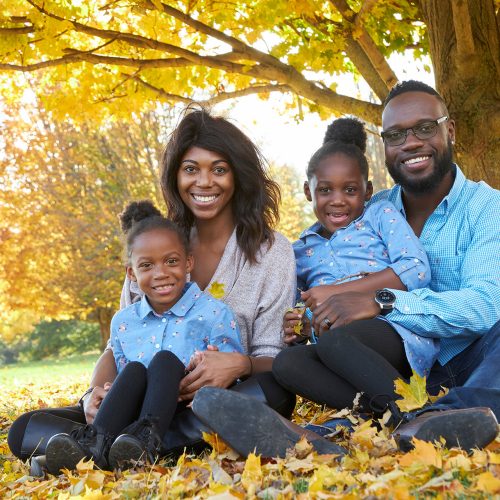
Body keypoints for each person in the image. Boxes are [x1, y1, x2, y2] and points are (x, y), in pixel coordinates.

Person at [192, 80, 500, 456]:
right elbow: (309, 298)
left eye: (424, 128)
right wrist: (303, 322)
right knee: (291, 362)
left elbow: (485, 307)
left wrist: (380, 301)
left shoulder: (486, 207)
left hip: (468, 359)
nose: (411, 143)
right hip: (383, 366)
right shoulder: (367, 211)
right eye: (396, 134)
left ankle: (430, 416)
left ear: (449, 130)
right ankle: (371, 426)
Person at [8, 109, 297, 468]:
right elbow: (119, 344)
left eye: (219, 169)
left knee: (273, 393)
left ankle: (110, 447)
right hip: (134, 401)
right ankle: (125, 443)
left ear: (238, 176)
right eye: (191, 169)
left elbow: (275, 358)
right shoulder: (155, 242)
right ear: (175, 176)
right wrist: (92, 396)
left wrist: (240, 363)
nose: (204, 182)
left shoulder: (271, 251)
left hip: (217, 398)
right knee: (22, 429)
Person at [44, 200, 243, 473]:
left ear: (188, 262)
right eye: (146, 265)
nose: (161, 273)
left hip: (186, 410)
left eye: (171, 261)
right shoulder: (124, 321)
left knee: (163, 361)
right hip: (132, 415)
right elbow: (127, 376)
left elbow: (233, 373)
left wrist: (209, 365)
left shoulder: (214, 313)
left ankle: (145, 443)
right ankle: (96, 446)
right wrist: (104, 394)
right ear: (131, 274)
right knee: (136, 369)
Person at [284, 117, 434, 385]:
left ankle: (411, 407)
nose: (338, 200)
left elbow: (416, 268)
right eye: (325, 190)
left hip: (389, 329)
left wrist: (337, 292)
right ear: (309, 191)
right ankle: (387, 411)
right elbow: (299, 307)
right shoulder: (299, 251)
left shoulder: (379, 215)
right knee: (287, 363)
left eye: (350, 190)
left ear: (368, 191)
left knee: (336, 341)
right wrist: (299, 325)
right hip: (335, 347)